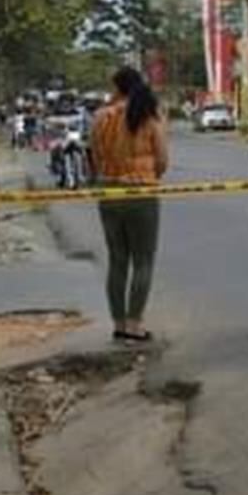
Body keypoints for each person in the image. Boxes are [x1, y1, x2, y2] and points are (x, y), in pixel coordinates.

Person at [90, 67, 170, 341]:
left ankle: (119, 322)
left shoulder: (101, 117)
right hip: (141, 192)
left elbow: (95, 157)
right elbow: (162, 159)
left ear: (117, 87)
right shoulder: (149, 116)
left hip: (109, 192)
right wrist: (149, 176)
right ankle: (135, 323)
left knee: (117, 260)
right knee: (143, 261)